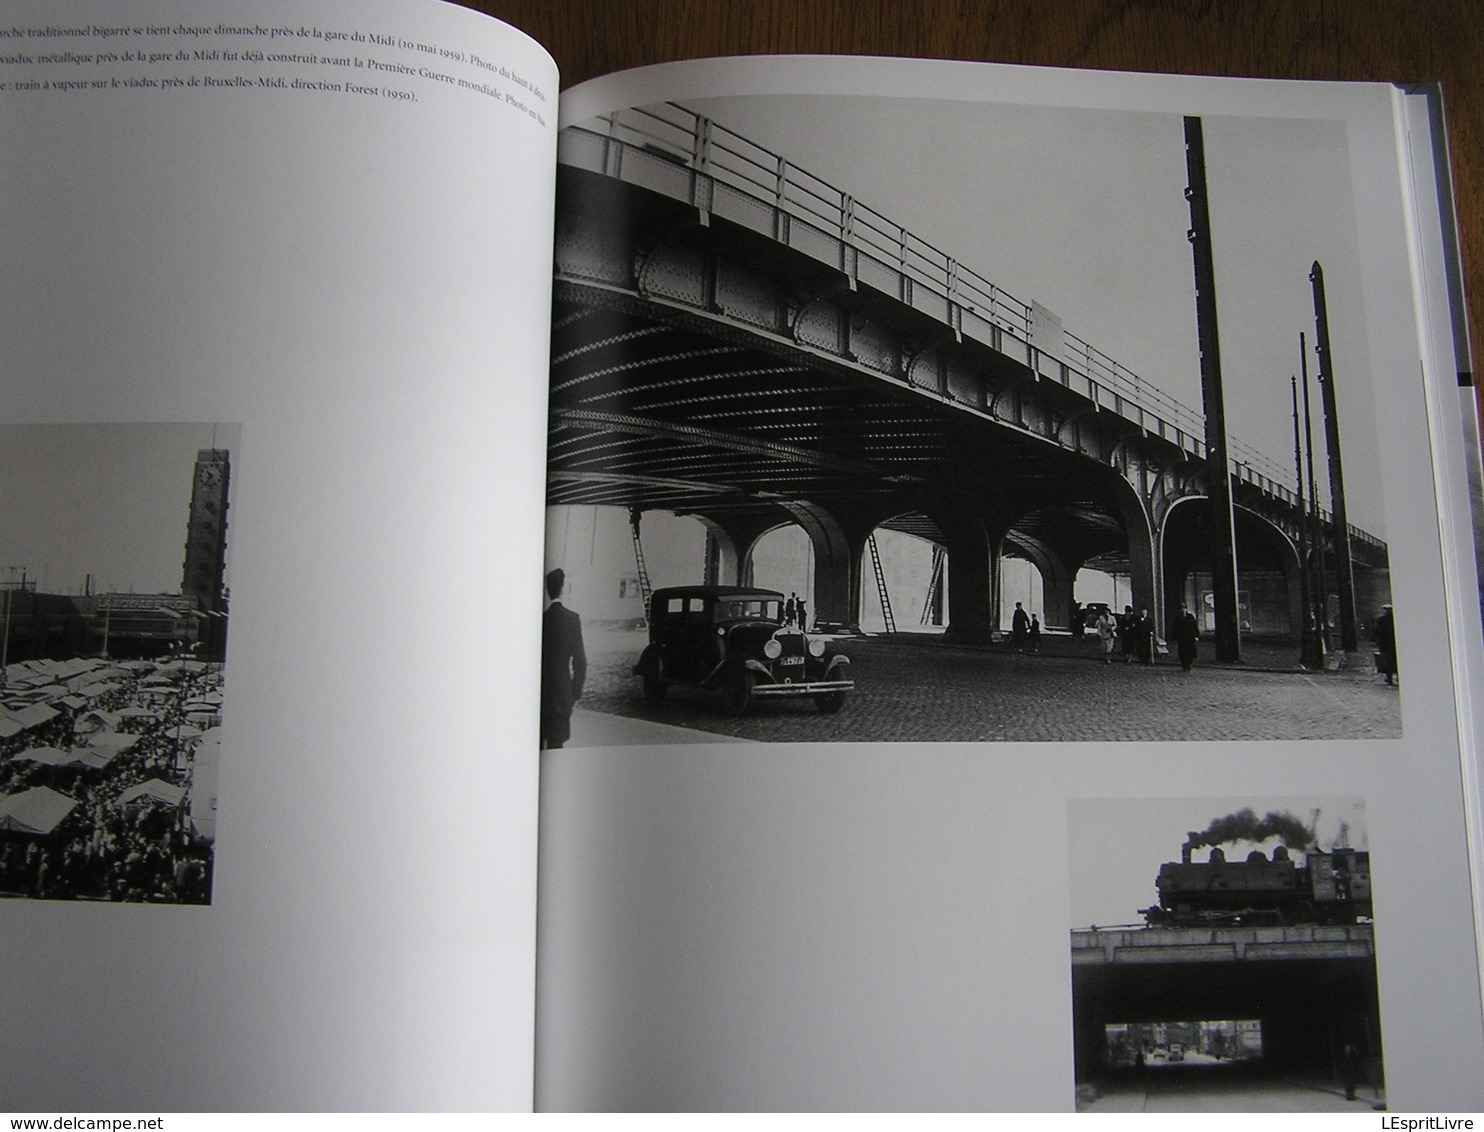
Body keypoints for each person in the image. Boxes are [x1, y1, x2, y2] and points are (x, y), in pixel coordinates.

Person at [540, 568, 587, 751]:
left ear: (548, 590)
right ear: (563, 589)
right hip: (562, 694)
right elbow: (580, 662)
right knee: (556, 746)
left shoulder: (541, 620)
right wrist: (574, 693)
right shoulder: (572, 619)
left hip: (541, 694)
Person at [1374, 604, 1397, 685]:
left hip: (1385, 644)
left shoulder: (1381, 619)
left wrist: (1378, 643)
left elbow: (1377, 632)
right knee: (1396, 660)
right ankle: (1397, 677)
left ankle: (1389, 678)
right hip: (1394, 643)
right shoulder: (1396, 619)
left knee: (1388, 661)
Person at [1174, 603, 1200, 671]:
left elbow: (1195, 627)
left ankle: (1189, 664)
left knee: (1190, 652)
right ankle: (1184, 665)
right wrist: (1175, 637)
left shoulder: (1190, 617)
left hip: (1190, 638)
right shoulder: (1177, 619)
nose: (1183, 610)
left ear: (1186, 609)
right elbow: (1175, 629)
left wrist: (1197, 635)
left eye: (1184, 608)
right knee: (1183, 653)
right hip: (1182, 638)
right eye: (1181, 609)